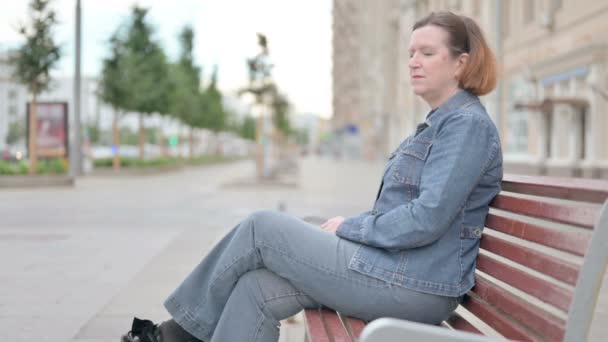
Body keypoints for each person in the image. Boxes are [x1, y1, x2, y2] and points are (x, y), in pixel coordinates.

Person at [121, 11, 502, 342]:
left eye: (428, 53)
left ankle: (180, 334)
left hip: (416, 286)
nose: (414, 62)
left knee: (261, 228)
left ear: (460, 64)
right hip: (396, 271)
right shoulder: (440, 124)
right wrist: (351, 228)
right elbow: (407, 212)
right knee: (255, 288)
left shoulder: (466, 126)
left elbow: (427, 218)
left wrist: (351, 228)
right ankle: (183, 332)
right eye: (411, 53)